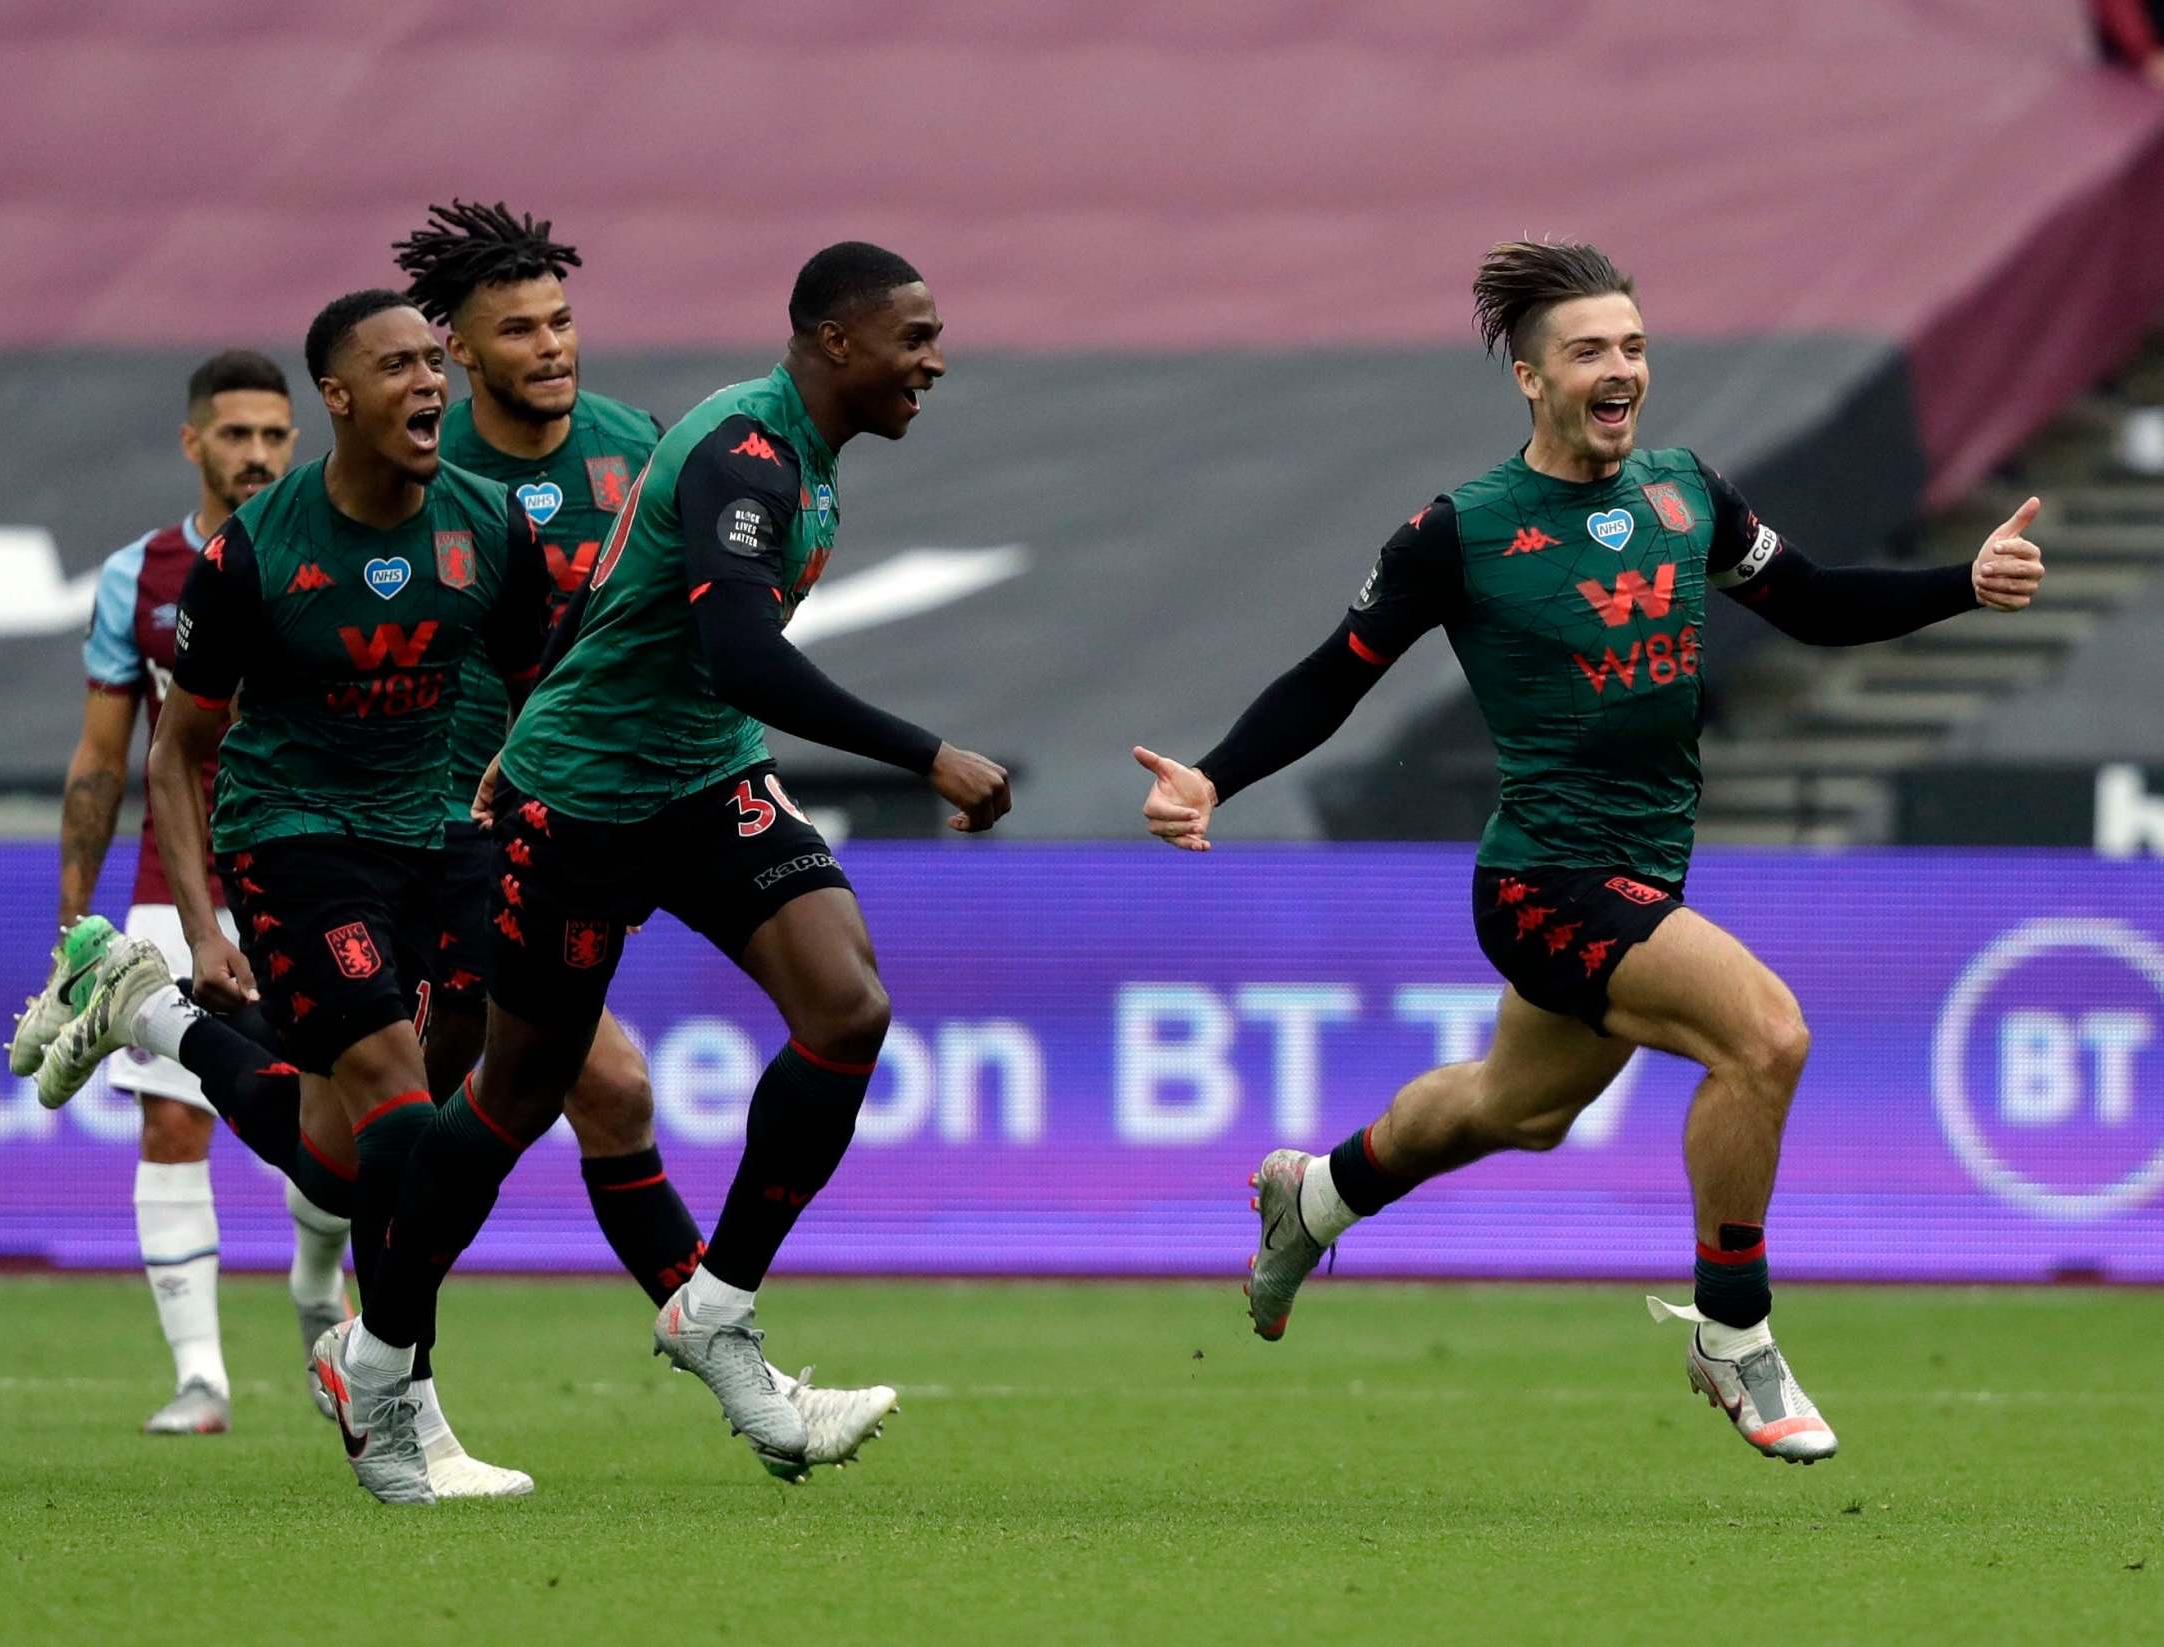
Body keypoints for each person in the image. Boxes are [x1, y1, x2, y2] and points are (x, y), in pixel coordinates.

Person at [1133, 239, 2047, 1465]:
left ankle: (1318, 1194)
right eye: (1588, 353)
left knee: (1517, 1110)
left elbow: (1817, 603)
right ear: (1528, 378)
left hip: (1641, 875)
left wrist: (1963, 584)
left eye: (1632, 347)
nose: (1620, 370)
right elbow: (1329, 681)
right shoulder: (1460, 533)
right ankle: (1732, 1337)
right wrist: (1213, 776)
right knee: (1764, 1036)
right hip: (1542, 882)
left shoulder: (1684, 493)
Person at [344, 241, 1010, 1503]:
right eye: (912, 337)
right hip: (587, 805)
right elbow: (743, 653)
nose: (934, 358)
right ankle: (376, 1363)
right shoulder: (742, 456)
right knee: (510, 1100)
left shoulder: (797, 458)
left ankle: (714, 1307)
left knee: (848, 1007)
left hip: (705, 779)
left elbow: (622, 616)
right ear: (832, 343)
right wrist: (927, 754)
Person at [37, 289, 549, 1504]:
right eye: (397, 366)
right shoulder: (253, 556)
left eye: (435, 362)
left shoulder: (493, 528)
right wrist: (206, 921)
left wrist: (518, 798)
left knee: (348, 1157)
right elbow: (176, 752)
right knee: (397, 1111)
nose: (429, 383)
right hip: (293, 838)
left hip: (439, 831)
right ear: (338, 397)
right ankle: (395, 1411)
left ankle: (150, 1016)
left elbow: (543, 684)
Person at [6, 350, 352, 1436]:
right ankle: (201, 1376)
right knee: (170, 1123)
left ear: (297, 442)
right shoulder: (138, 576)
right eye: (235, 435)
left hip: (318, 865)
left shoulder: (338, 551)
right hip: (179, 875)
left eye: (273, 436)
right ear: (192, 442)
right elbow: (103, 759)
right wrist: (77, 921)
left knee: (345, 1114)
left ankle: (314, 1284)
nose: (255, 454)